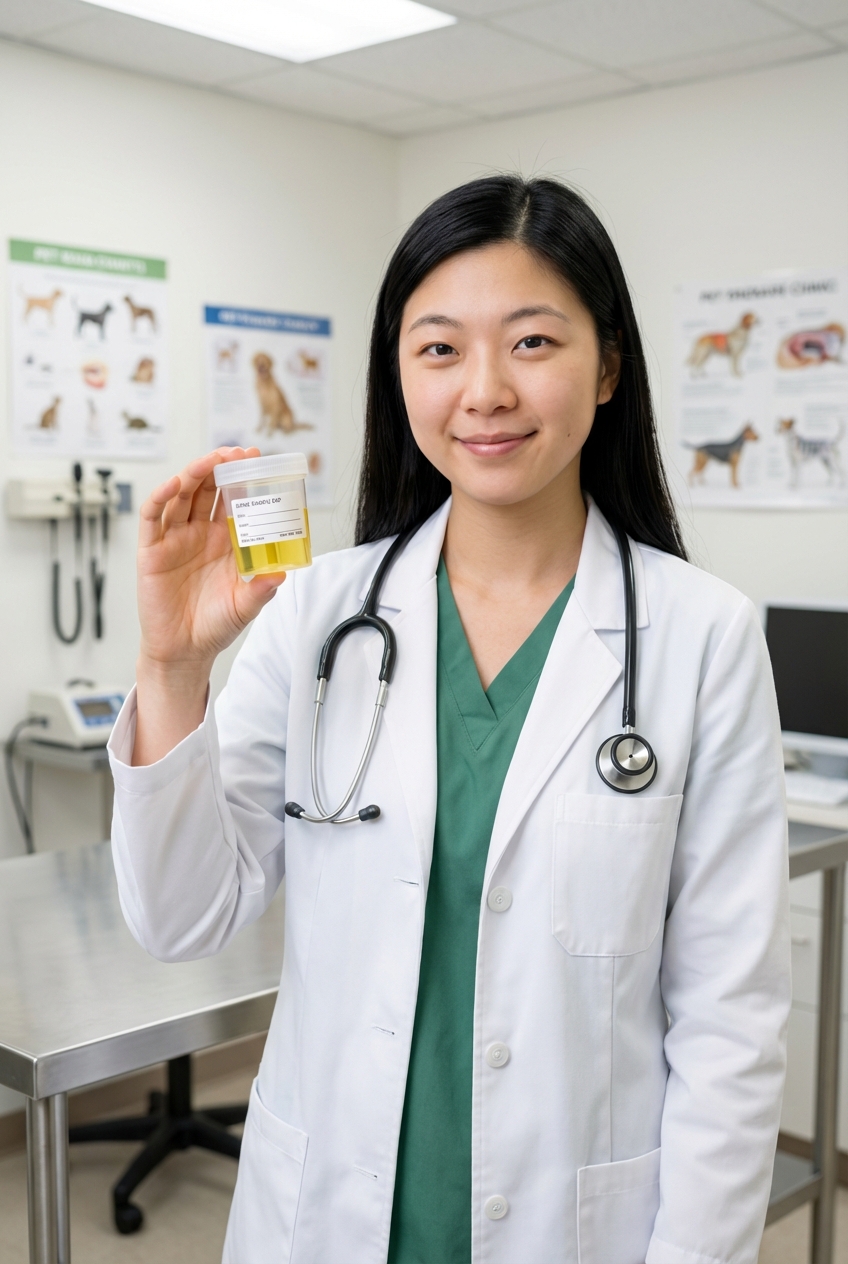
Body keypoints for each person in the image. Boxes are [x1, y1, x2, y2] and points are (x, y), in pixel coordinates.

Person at [109, 175, 790, 1264]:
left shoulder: (700, 636)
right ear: (398, 373)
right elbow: (179, 918)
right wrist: (172, 665)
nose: (483, 391)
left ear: (606, 367)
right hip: (327, 1214)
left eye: (530, 343)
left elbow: (729, 1019)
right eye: (437, 349)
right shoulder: (318, 612)